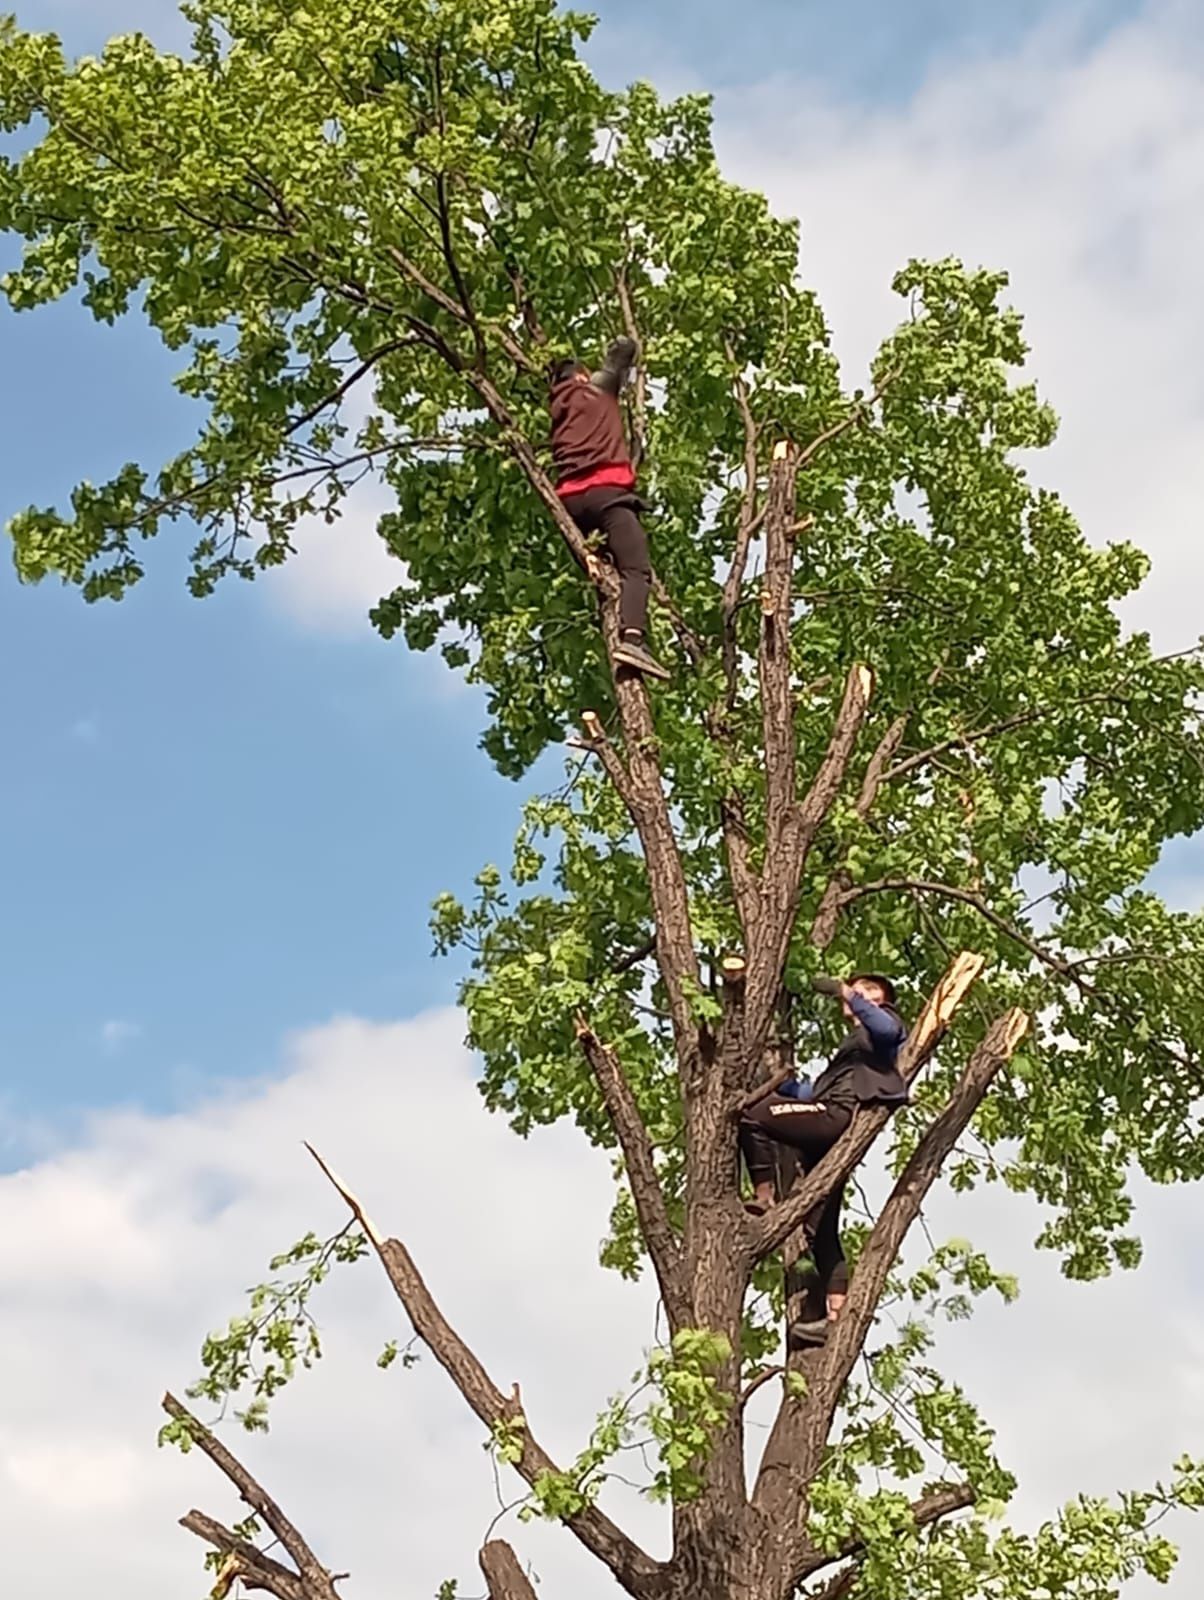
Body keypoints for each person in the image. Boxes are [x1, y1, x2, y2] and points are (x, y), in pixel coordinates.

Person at [739, 974, 908, 1347]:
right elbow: (810, 1093)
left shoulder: (883, 1027)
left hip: (834, 1116)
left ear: (881, 1002)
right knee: (821, 1230)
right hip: (824, 1117)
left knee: (750, 1113)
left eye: (870, 992)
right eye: (858, 989)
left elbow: (887, 1028)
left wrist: (846, 991)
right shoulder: (853, 1051)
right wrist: (775, 1083)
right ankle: (835, 1317)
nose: (861, 995)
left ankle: (763, 1194)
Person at [547, 337, 670, 682]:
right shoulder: (596, 391)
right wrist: (618, 361)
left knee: (603, 569)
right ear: (582, 377)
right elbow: (623, 352)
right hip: (607, 494)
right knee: (636, 571)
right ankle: (632, 640)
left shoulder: (559, 415)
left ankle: (614, 613)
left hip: (571, 504)